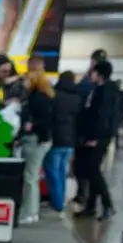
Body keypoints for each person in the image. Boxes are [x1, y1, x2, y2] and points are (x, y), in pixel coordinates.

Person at [75, 60, 122, 221]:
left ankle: (108, 205)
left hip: (99, 137)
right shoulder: (100, 89)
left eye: (93, 72)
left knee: (94, 171)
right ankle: (91, 206)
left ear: (100, 74)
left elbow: (103, 116)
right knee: (91, 171)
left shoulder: (106, 92)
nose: (91, 74)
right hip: (95, 135)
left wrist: (96, 137)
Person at [18, 70, 54, 224]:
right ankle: (31, 211)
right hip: (42, 140)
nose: (24, 83)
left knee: (30, 178)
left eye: (27, 79)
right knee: (32, 177)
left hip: (35, 140)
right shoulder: (46, 96)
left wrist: (30, 126)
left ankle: (30, 212)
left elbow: (43, 120)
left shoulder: (37, 98)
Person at [73, 49, 108, 206]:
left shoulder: (96, 88)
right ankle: (89, 200)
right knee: (86, 168)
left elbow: (101, 116)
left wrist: (96, 136)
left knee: (89, 169)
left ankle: (98, 201)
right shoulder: (94, 85)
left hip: (91, 135)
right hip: (88, 133)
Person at [44, 71, 81, 213]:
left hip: (56, 139)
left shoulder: (54, 96)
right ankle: (61, 201)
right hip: (70, 140)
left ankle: (57, 203)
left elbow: (50, 117)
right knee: (62, 172)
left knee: (52, 172)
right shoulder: (77, 98)